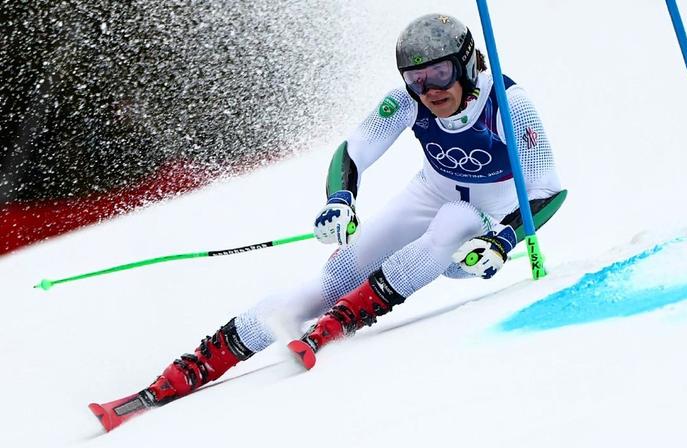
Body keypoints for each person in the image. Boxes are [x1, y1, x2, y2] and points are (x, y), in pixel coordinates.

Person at [91, 13, 565, 428]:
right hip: (430, 193)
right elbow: (352, 151)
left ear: (465, 63)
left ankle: (343, 321)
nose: (430, 91)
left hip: (479, 232)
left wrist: (505, 239)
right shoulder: (407, 101)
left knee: (455, 218)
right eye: (416, 80)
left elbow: (548, 191)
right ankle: (192, 367)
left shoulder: (507, 105)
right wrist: (340, 200)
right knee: (329, 280)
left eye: (440, 74)